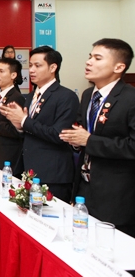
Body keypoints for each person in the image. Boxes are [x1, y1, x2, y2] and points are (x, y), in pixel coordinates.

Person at [60, 38, 135, 238]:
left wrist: (89, 141)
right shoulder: (87, 95)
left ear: (119, 67)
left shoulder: (130, 98)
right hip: (84, 187)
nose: (89, 62)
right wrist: (76, 142)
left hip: (116, 193)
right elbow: (83, 131)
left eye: (97, 58)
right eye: (90, 56)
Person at [1, 46, 78, 203]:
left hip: (53, 174)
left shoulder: (66, 96)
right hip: (30, 171)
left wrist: (24, 121)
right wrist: (19, 126)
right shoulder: (30, 97)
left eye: (37, 65)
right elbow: (29, 131)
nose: (31, 70)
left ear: (53, 67)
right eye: (30, 65)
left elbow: (58, 134)